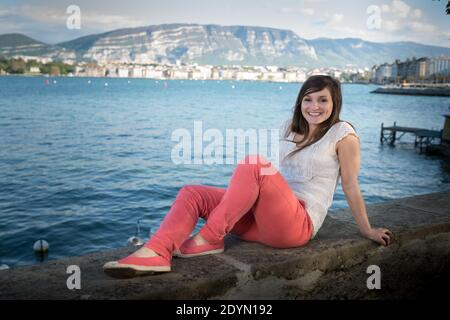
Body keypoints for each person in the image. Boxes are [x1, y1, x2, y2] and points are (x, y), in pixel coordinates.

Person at [103, 75, 393, 278]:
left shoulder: (343, 135)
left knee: (254, 163)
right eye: (308, 99)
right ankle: (156, 253)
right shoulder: (288, 128)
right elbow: (270, 181)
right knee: (193, 192)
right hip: (262, 221)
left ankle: (211, 237)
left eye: (322, 100)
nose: (314, 106)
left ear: (335, 103)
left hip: (296, 225)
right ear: (300, 101)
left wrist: (367, 230)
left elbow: (351, 185)